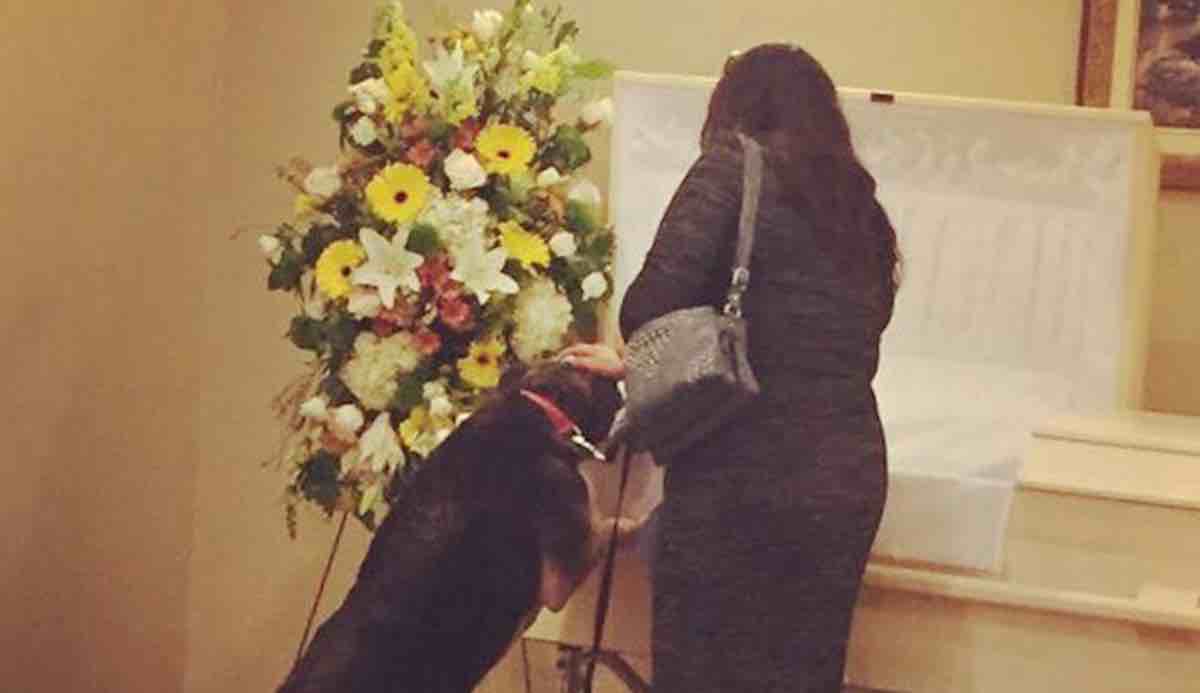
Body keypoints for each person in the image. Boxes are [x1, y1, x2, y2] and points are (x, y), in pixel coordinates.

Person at [560, 43, 900, 693]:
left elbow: (649, 306)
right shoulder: (862, 209)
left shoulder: (731, 168)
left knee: (705, 670)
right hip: (848, 474)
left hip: (741, 471)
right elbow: (852, 334)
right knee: (803, 674)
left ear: (736, 105)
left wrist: (631, 360)